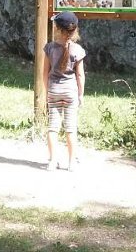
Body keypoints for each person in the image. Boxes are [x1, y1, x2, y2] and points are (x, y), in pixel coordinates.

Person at [43, 11, 86, 172]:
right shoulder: (78, 50)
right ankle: (71, 162)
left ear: (57, 28)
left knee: (53, 128)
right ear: (74, 30)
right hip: (70, 93)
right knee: (70, 128)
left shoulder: (49, 48)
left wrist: (47, 91)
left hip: (54, 91)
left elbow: (44, 72)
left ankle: (52, 161)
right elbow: (80, 75)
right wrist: (80, 94)